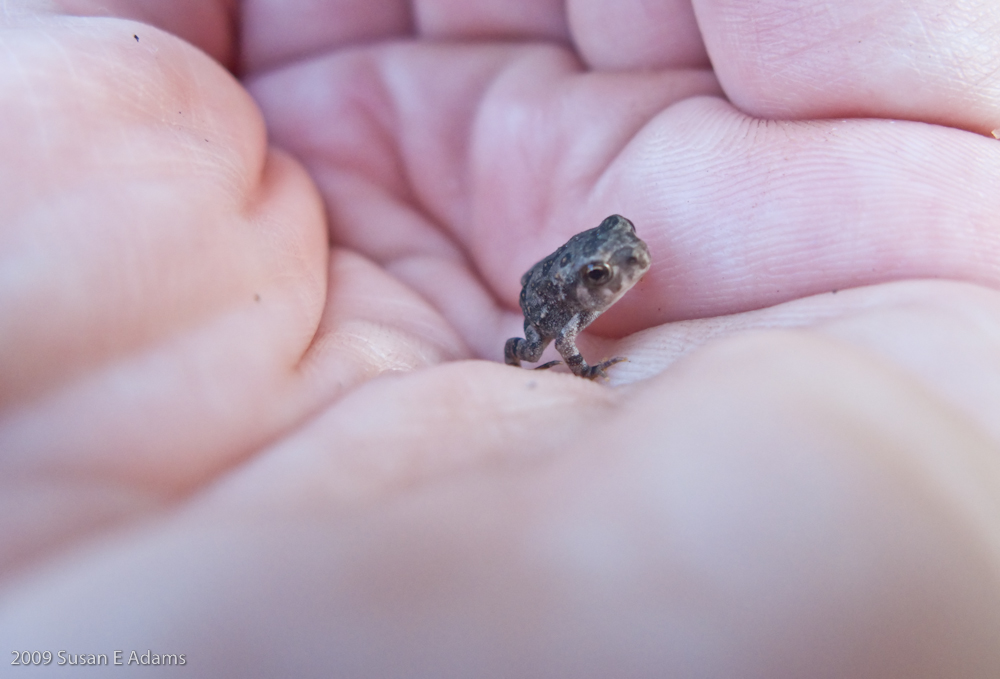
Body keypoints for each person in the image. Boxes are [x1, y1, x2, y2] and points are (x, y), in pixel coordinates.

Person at [2, 1, 999, 675]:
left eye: (625, 257)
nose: (633, 266)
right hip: (537, 308)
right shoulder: (564, 308)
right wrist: (570, 369)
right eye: (621, 265)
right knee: (541, 334)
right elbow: (552, 320)